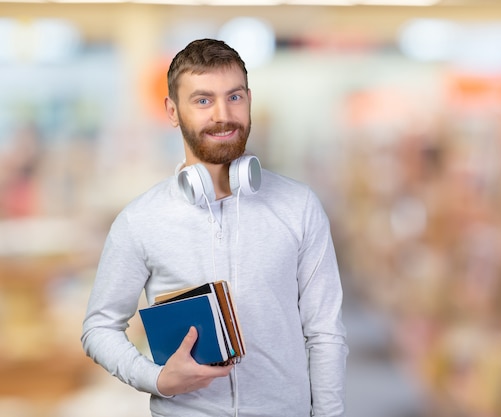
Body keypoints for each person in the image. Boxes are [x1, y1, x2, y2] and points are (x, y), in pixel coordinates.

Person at [81, 38, 348, 417]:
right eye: (203, 100)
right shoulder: (140, 220)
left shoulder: (298, 206)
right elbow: (100, 328)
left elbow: (325, 333)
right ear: (172, 112)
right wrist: (154, 379)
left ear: (249, 100)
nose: (223, 114)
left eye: (234, 97)